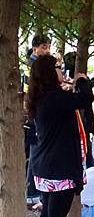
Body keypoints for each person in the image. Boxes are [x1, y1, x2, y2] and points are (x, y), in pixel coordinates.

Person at [28, 54, 94, 217]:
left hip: (45, 169)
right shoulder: (56, 99)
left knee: (47, 215)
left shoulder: (41, 98)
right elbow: (85, 100)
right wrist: (82, 81)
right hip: (60, 170)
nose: (61, 70)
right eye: (57, 67)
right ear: (49, 73)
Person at [26, 34, 51, 205]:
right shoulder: (33, 66)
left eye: (48, 46)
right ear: (35, 48)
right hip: (35, 113)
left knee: (38, 151)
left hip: (39, 111)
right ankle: (32, 193)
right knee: (35, 152)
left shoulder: (41, 64)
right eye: (43, 47)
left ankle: (35, 192)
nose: (46, 50)